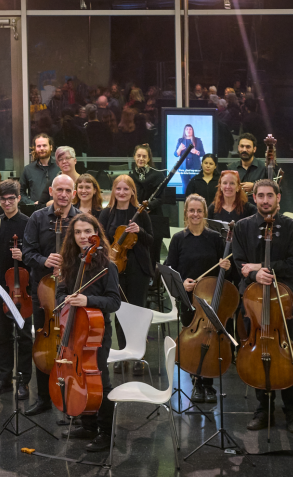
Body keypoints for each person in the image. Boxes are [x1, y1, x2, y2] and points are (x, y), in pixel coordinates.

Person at [232, 180, 293, 434]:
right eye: (261, 196)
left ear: (278, 198)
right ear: (254, 198)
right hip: (253, 301)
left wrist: (266, 269)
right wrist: (255, 274)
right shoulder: (242, 227)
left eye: (269, 196)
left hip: (285, 301)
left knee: (288, 353)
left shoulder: (292, 227)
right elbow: (239, 263)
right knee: (258, 353)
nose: (265, 200)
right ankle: (264, 409)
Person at [54, 214, 123, 452]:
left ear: (96, 234)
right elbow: (60, 293)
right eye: (77, 232)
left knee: (99, 379)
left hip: (97, 331)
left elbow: (114, 302)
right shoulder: (70, 263)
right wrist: (65, 299)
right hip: (74, 330)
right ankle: (88, 425)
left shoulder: (107, 266)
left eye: (87, 231)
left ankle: (106, 432)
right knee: (79, 375)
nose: (82, 236)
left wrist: (87, 300)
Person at [22, 174, 81, 416]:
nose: (63, 195)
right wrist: (44, 260)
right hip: (44, 293)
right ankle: (44, 398)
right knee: (44, 343)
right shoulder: (37, 218)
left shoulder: (81, 219)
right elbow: (27, 252)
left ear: (74, 193)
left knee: (72, 345)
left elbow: (90, 253)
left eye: (68, 190)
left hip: (72, 293)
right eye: (59, 190)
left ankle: (71, 396)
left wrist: (69, 264)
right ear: (51, 191)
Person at [163, 194, 230, 403]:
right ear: (186, 213)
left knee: (210, 341)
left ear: (204, 213)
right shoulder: (179, 239)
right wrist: (182, 283)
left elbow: (227, 269)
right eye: (191, 210)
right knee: (194, 342)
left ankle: (208, 384)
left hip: (211, 299)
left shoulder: (215, 238)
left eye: (199, 211)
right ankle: (197, 382)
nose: (195, 214)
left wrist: (227, 266)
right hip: (189, 299)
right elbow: (169, 268)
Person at [0, 180, 32, 398]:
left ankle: (23, 381)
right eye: (3, 199)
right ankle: (4, 379)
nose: (7, 203)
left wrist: (24, 256)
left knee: (23, 336)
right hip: (1, 290)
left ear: (18, 198)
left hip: (21, 290)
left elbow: (35, 256)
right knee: (3, 336)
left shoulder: (29, 223)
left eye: (11, 198)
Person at [98, 175, 154, 368]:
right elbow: (101, 241)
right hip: (116, 269)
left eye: (126, 189)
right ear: (113, 191)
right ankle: (123, 354)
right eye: (118, 188)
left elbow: (151, 241)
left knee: (137, 313)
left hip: (138, 269)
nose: (122, 192)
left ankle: (138, 357)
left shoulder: (140, 214)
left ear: (132, 192)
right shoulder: (107, 214)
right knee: (120, 313)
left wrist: (139, 231)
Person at [20, 133, 60, 205]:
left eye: (44, 145)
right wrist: (32, 203)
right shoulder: (28, 169)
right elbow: (20, 193)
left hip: (57, 209)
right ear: (35, 148)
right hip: (36, 210)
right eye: (39, 146)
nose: (41, 148)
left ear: (51, 147)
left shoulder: (59, 168)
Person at [128, 144, 165, 213]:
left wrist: (148, 207)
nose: (141, 159)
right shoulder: (131, 176)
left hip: (154, 213)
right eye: (138, 156)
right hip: (135, 213)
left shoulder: (158, 175)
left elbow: (161, 198)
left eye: (144, 156)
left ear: (149, 159)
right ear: (134, 157)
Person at [232, 133, 266, 199]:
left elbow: (276, 188)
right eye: (242, 146)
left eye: (248, 147)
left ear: (254, 149)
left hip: (258, 204)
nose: (244, 150)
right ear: (238, 148)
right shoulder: (231, 168)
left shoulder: (264, 168)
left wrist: (255, 186)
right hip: (236, 204)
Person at [175, 124, 206, 194]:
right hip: (183, 167)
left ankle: (194, 200)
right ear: (184, 131)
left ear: (192, 131)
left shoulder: (198, 140)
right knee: (185, 185)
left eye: (190, 129)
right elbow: (176, 154)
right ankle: (185, 199)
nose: (188, 131)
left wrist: (196, 152)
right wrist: (179, 149)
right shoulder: (180, 140)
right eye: (187, 129)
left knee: (195, 185)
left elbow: (203, 153)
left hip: (195, 167)